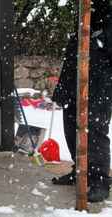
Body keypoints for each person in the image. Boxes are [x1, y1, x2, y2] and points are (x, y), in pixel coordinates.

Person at [52, 0, 112, 202]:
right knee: (70, 126)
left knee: (94, 129)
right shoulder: (83, 20)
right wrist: (62, 89)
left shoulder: (107, 23)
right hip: (74, 86)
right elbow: (71, 57)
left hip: (99, 88)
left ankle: (100, 180)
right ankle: (79, 171)